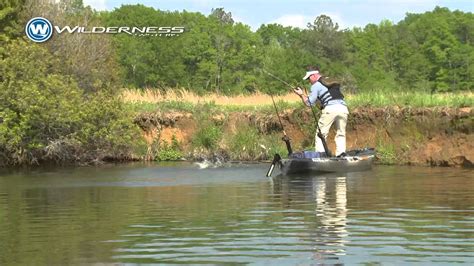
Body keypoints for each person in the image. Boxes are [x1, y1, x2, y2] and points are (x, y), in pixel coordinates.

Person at [293, 66, 349, 157]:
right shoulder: (330, 82)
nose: (309, 81)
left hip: (330, 109)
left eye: (309, 78)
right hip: (343, 108)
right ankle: (341, 154)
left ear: (314, 75)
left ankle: (320, 155)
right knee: (341, 133)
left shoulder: (316, 85)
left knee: (321, 134)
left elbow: (309, 103)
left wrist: (301, 94)